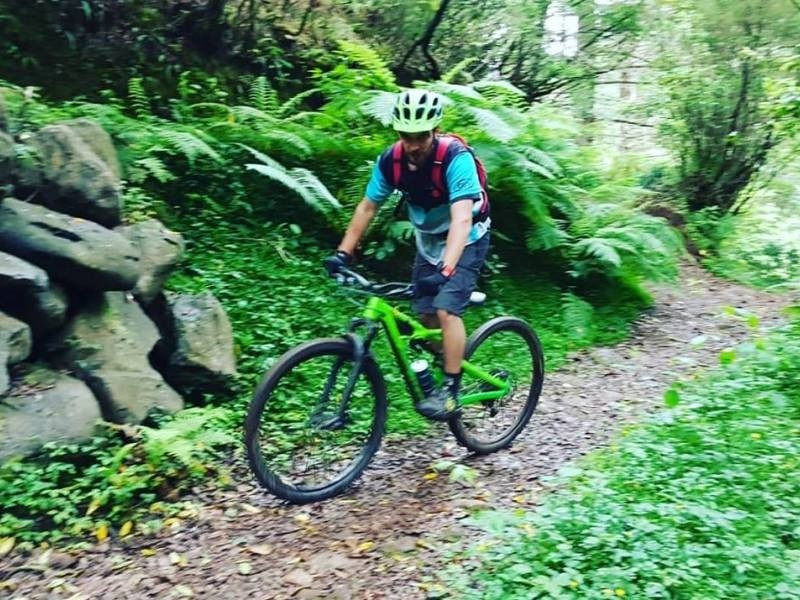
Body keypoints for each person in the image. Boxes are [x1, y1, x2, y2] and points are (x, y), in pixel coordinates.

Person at [324, 89, 491, 421]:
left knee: (445, 310)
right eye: (406, 136)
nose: (413, 145)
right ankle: (451, 358)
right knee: (424, 316)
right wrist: (343, 253)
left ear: (435, 130)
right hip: (428, 240)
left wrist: (446, 271)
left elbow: (461, 219)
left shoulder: (455, 158)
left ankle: (451, 390)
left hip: (467, 239)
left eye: (421, 136)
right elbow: (368, 207)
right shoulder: (392, 161)